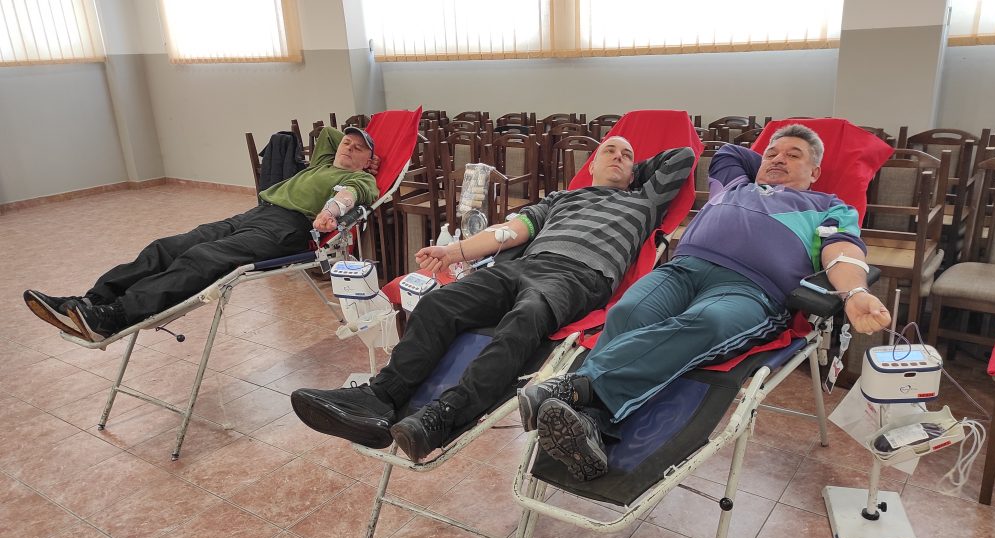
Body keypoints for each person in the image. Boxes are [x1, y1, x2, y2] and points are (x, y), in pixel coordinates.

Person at [517, 124, 892, 482]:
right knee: (628, 312)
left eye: (794, 156)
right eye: (771, 153)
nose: (778, 159)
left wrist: (855, 292)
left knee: (707, 322)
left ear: (816, 172)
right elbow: (730, 152)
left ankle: (579, 388)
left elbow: (842, 253)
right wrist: (773, 164)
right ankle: (591, 426)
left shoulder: (827, 205)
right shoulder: (734, 182)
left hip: (751, 288)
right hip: (682, 271)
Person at [291, 136, 697, 462]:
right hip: (526, 264)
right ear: (589, 165)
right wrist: (453, 251)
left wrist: (631, 173)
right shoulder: (561, 199)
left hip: (580, 276)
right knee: (439, 303)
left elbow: (682, 156)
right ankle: (380, 397)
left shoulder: (643, 201)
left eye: (627, 155)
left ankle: (444, 416)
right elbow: (512, 232)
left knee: (525, 319)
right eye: (609, 151)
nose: (618, 157)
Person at [24, 126, 379, 342]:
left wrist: (330, 211)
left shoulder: (360, 177)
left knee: (204, 258)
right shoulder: (323, 162)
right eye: (347, 143)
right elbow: (331, 134)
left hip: (288, 227)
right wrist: (358, 140)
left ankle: (115, 315)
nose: (348, 147)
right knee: (167, 247)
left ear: (368, 161)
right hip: (255, 214)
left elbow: (352, 196)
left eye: (359, 148)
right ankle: (89, 302)